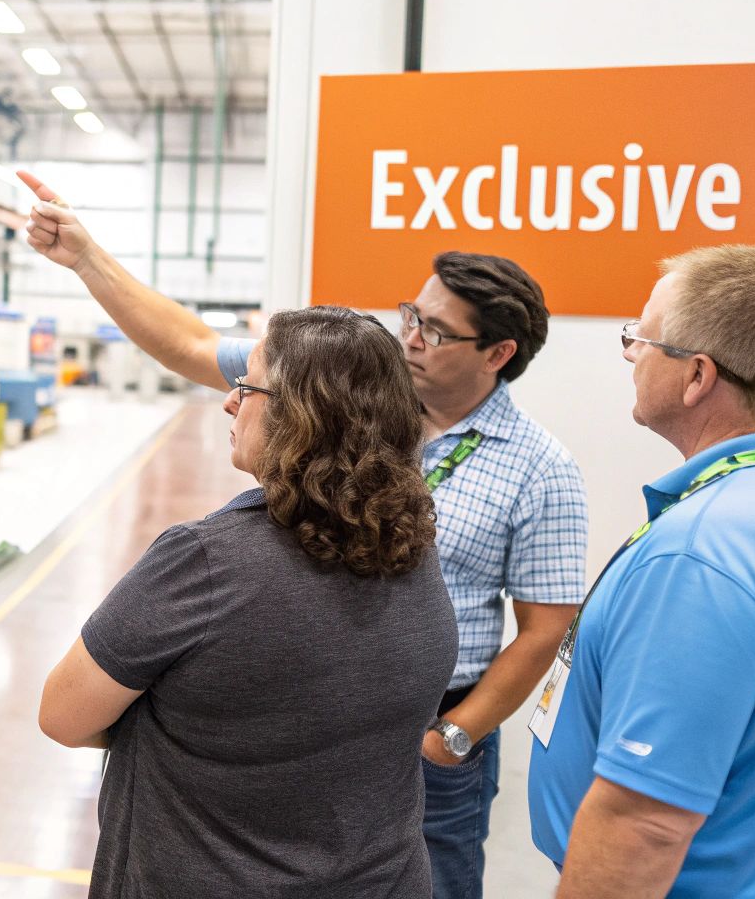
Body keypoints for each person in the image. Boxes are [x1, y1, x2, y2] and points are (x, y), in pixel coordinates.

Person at [18, 170, 589, 899]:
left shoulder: (538, 469)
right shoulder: (349, 377)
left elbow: (546, 630)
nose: (412, 338)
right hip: (275, 720)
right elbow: (189, 341)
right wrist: (86, 257)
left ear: (497, 354)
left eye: (436, 331)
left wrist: (452, 736)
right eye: (412, 316)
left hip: (411, 728)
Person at [524, 245, 755, 898]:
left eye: (641, 338)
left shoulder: (700, 557)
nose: (629, 354)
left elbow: (644, 824)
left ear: (697, 376)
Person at [38, 306, 459, 898]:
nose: (231, 402)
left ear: (302, 415)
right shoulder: (412, 548)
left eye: (248, 386)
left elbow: (63, 715)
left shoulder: (204, 562)